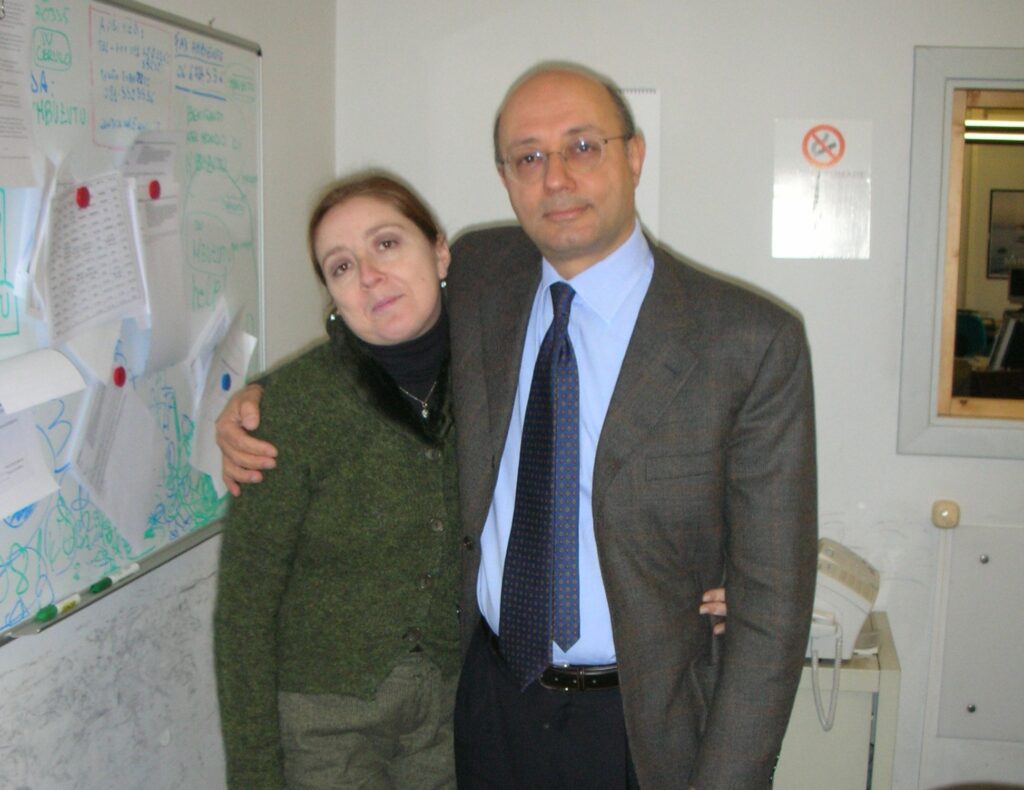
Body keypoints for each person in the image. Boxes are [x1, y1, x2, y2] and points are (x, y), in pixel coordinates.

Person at [219, 63, 815, 790]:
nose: (555, 178)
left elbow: (774, 609)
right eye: (528, 157)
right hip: (487, 707)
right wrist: (259, 400)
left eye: (583, 146)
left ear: (634, 155)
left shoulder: (748, 342)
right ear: (505, 178)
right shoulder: (483, 272)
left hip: (643, 728)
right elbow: (384, 328)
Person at [213, 174, 462, 789]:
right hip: (323, 730)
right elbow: (244, 611)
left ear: (439, 251)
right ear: (332, 293)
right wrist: (254, 776)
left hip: (452, 713)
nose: (369, 276)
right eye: (342, 266)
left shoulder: (492, 371)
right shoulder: (291, 411)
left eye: (386, 244)